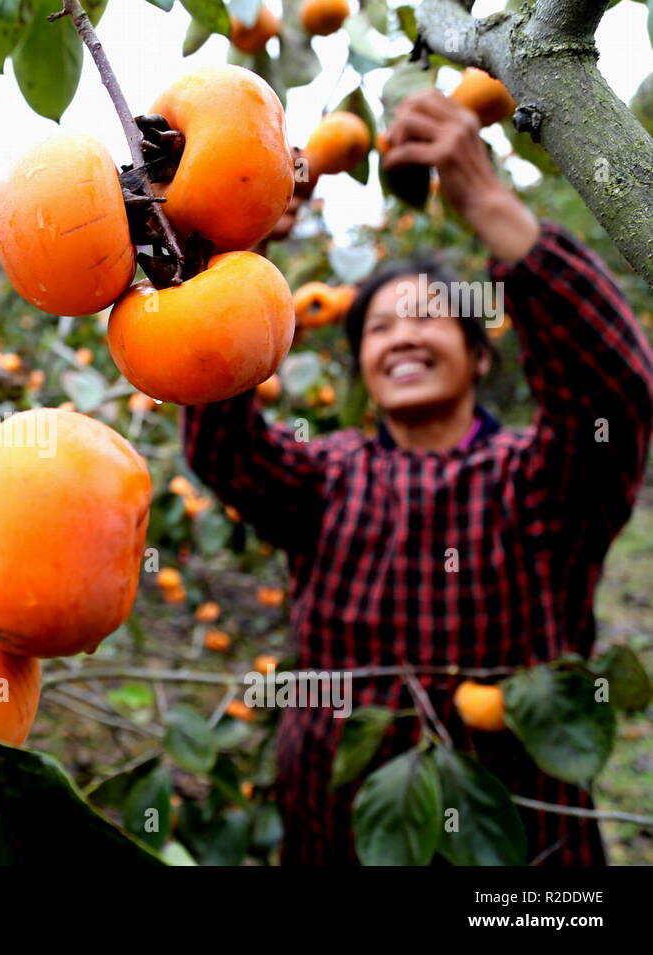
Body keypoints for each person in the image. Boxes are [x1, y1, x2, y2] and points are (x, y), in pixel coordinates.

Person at [184, 90, 653, 864]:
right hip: (338, 824)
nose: (403, 334)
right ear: (363, 365)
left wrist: (491, 204)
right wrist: (243, 257)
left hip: (521, 842)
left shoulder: (536, 481)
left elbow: (617, 389)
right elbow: (222, 446)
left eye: (432, 315)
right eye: (380, 326)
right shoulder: (326, 475)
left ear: (480, 355)